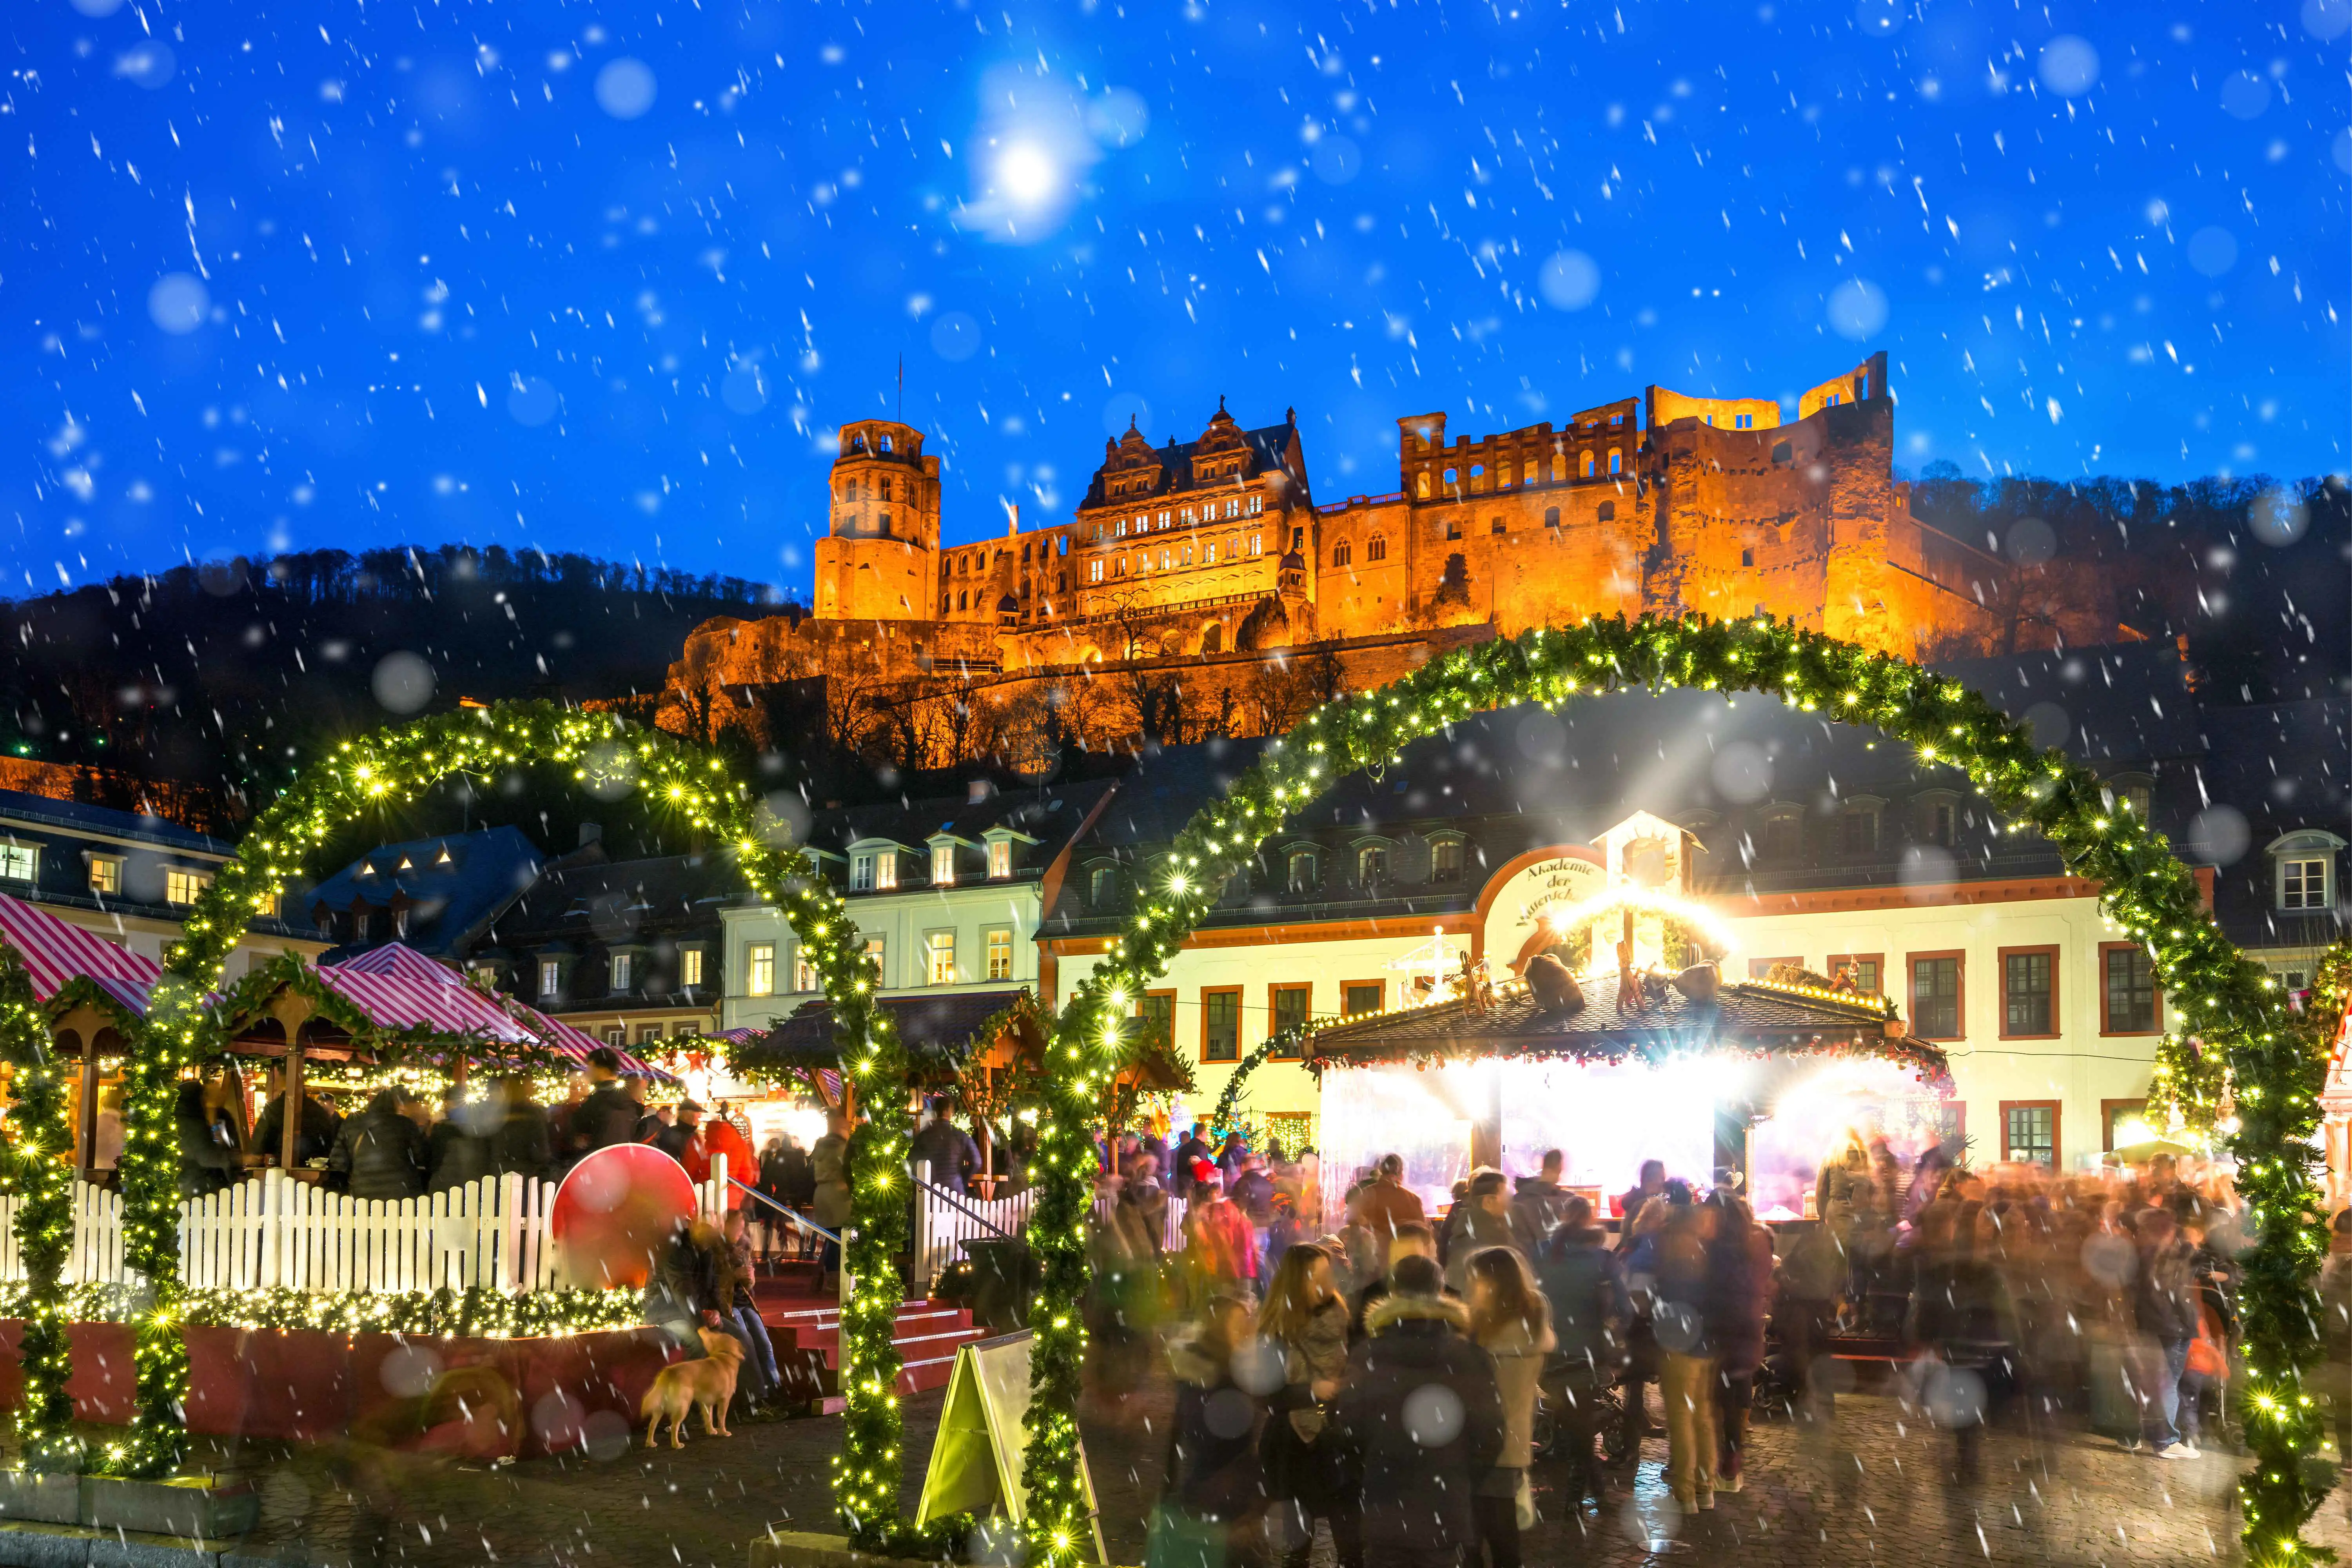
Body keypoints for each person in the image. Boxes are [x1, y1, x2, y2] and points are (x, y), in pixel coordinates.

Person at [1334, 1252, 1504, 1568]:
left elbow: (1348, 1430)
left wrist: (1372, 1470)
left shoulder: (1367, 1354)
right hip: (1445, 1507)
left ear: (1393, 1291)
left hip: (1385, 1505)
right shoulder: (1468, 1356)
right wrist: (1460, 1477)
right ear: (1440, 1291)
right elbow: (1490, 1435)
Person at [1258, 1244, 1358, 1568]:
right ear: (1297, 1282)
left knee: (1351, 1542)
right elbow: (1267, 1395)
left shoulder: (1343, 1319)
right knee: (1296, 1547)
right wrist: (1311, 1391)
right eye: (1316, 1275)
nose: (1325, 1282)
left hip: (1338, 1438)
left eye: (1327, 1274)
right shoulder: (1276, 1331)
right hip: (1292, 1445)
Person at [1534, 1197, 1628, 1508]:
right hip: (1586, 1354)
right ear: (1590, 1222)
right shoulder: (1602, 1260)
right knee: (1580, 1426)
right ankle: (1576, 1498)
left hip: (1550, 1354)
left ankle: (1594, 1492)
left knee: (1572, 1424)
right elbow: (1624, 1308)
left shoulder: (1543, 1253)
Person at [1160, 1292, 1268, 1560]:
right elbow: (1213, 1449)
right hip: (1218, 1511)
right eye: (1241, 1328)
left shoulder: (1221, 1377)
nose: (1249, 1334)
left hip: (1226, 1509)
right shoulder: (1211, 1386)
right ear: (1220, 1334)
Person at [1466, 1246, 1553, 1568]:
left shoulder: (1483, 1332)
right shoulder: (1532, 1321)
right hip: (1513, 1441)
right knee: (1504, 1538)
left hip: (1481, 1443)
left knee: (1473, 1538)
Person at [1653, 1198, 1722, 1511]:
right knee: (1703, 1417)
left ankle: (1685, 1492)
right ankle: (1706, 1489)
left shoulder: (1674, 1254)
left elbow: (1664, 1301)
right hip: (1706, 1344)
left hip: (1680, 1344)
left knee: (1681, 1418)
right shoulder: (1708, 1254)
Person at [1705, 1192, 1769, 1492]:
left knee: (1719, 1398)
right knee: (1738, 1393)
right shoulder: (1757, 1242)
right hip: (1749, 1326)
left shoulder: (1717, 1249)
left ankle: (1719, 1466)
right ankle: (1732, 1466)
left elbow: (1712, 1288)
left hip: (1723, 1329)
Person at [2132, 1205, 2201, 1458]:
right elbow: (2179, 1296)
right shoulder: (2174, 1256)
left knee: (2152, 1382)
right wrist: (2188, 1324)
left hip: (2149, 1325)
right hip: (2173, 1327)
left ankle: (2142, 1434)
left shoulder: (2139, 1255)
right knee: (2169, 1383)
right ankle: (2166, 1440)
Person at [1775, 1199, 1851, 1425]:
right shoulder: (1822, 1241)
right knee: (1810, 1352)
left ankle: (1810, 1401)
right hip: (1807, 1306)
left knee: (1810, 1352)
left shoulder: (1828, 1241)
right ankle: (1813, 1401)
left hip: (1811, 1306)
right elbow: (1793, 1265)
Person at [719, 1207, 783, 1409]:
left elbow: (748, 1287)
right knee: (747, 1343)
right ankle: (755, 1398)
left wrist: (750, 1280)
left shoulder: (744, 1247)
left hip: (745, 1303)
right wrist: (733, 1275)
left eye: (743, 1227)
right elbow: (713, 1285)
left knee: (766, 1345)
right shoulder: (716, 1251)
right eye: (737, 1226)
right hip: (728, 1305)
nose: (740, 1230)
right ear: (726, 1226)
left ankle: (776, 1390)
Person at [327, 1086, 428, 1200]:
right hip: (401, 1191)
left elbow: (338, 1161)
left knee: (367, 1218)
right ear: (396, 1105)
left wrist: (360, 1168)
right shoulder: (405, 1124)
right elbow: (420, 1156)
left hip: (363, 1191)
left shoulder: (352, 1123)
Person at [1350, 1219, 1440, 1342]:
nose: (1403, 1267)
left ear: (1430, 1257)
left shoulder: (1449, 1296)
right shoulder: (1370, 1299)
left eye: (1410, 1260)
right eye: (1397, 1259)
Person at [1183, 1178, 1258, 1301]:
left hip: (1228, 1269)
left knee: (1228, 1301)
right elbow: (1250, 1246)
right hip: (1243, 1268)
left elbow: (1214, 1240)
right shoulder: (1243, 1219)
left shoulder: (1221, 1213)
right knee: (1243, 1301)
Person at [1445, 1169, 1519, 1293]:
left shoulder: (1470, 1226)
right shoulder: (1488, 1236)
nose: (1511, 1202)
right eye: (1507, 1196)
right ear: (1489, 1201)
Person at [175, 1078, 244, 1198]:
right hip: (199, 1186)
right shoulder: (193, 1124)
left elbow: (233, 1144)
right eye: (209, 1093)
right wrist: (241, 1159)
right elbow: (206, 1156)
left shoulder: (224, 1117)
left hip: (220, 1181)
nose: (222, 1094)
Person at [253, 1072, 341, 1167]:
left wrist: (257, 1157)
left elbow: (260, 1140)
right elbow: (327, 1140)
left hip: (280, 1165)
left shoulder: (275, 1108)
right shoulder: (316, 1109)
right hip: (313, 1166)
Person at [568, 1050, 644, 1156]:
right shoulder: (629, 1101)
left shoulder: (597, 1102)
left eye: (589, 1066)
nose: (587, 1072)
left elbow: (576, 1134)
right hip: (622, 1162)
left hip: (598, 1164)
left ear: (598, 1068)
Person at [810, 1110, 852, 1291]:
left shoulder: (820, 1148)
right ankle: (835, 1279)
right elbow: (849, 1172)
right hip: (839, 1195)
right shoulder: (842, 1148)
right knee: (841, 1236)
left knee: (831, 1237)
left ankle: (829, 1275)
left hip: (821, 1194)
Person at [426, 1089, 497, 1193]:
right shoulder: (481, 1128)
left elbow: (433, 1159)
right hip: (474, 1185)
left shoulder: (443, 1128)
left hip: (446, 1184)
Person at [489, 1075, 555, 1180]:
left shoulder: (507, 1116)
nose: (493, 1095)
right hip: (524, 1173)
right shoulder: (526, 1114)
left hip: (515, 1173)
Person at [1509, 1149, 1573, 1254]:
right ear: (1559, 1168)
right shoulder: (1567, 1202)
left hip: (1523, 1262)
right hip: (1554, 1263)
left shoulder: (1517, 1200)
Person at [1357, 1154, 1426, 1242]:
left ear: (1381, 1171)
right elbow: (1423, 1235)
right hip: (1404, 1253)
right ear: (1401, 1173)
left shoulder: (1365, 1195)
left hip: (1371, 1252)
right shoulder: (1413, 1200)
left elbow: (1355, 1225)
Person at [701, 1100, 756, 1202]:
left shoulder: (703, 1143)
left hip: (706, 1198)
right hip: (731, 1198)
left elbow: (695, 1170)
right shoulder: (740, 1144)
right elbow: (748, 1175)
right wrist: (737, 1194)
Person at [652, 1100, 710, 1181]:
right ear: (687, 1115)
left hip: (692, 1186)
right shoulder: (672, 1136)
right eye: (696, 1113)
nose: (699, 1116)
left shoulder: (694, 1136)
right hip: (680, 1185)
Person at [1616, 1160, 1667, 1249]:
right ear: (1652, 1179)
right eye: (1662, 1178)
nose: (1664, 1182)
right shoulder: (1645, 1204)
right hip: (1641, 1250)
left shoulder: (1634, 1198)